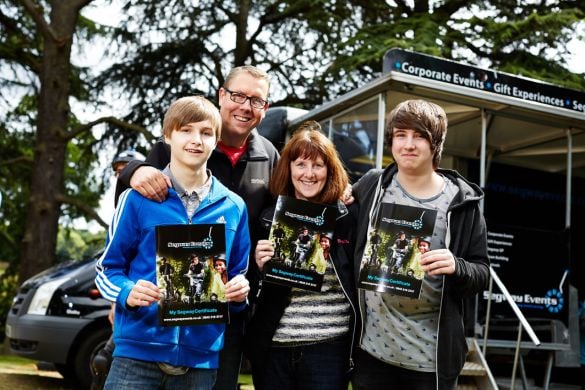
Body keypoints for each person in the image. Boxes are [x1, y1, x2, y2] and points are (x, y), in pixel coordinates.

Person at [116, 65, 277, 390]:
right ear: (221, 96)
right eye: (238, 96)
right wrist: (132, 171)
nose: (245, 106)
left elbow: (286, 207)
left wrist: (345, 192)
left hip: (223, 318)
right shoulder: (186, 141)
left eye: (256, 100)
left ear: (265, 109)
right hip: (154, 318)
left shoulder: (270, 155)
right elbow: (130, 218)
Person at [95, 96, 251, 390]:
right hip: (137, 357)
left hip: (200, 364)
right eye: (186, 130)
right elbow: (107, 269)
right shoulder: (136, 199)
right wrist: (127, 291)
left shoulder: (234, 207)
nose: (196, 140)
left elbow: (237, 274)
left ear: (216, 141)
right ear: (167, 136)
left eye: (206, 133)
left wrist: (240, 291)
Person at [351, 99, 490, 390]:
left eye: (420, 136)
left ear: (435, 143)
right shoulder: (373, 185)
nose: (409, 144)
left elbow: (482, 273)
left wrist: (458, 266)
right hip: (371, 353)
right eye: (401, 135)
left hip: (429, 361)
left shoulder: (462, 202)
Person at [245, 122, 358, 390]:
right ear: (289, 168)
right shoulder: (267, 218)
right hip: (274, 347)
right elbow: (247, 285)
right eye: (301, 164)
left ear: (329, 171)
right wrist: (259, 266)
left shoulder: (347, 217)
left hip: (329, 348)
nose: (309, 174)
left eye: (318, 165)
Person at [90, 148, 145, 390]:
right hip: (126, 295)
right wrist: (118, 297)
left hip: (146, 300)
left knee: (104, 358)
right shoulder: (123, 202)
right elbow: (113, 260)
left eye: (126, 169)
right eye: (118, 171)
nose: (121, 175)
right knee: (103, 361)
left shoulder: (146, 199)